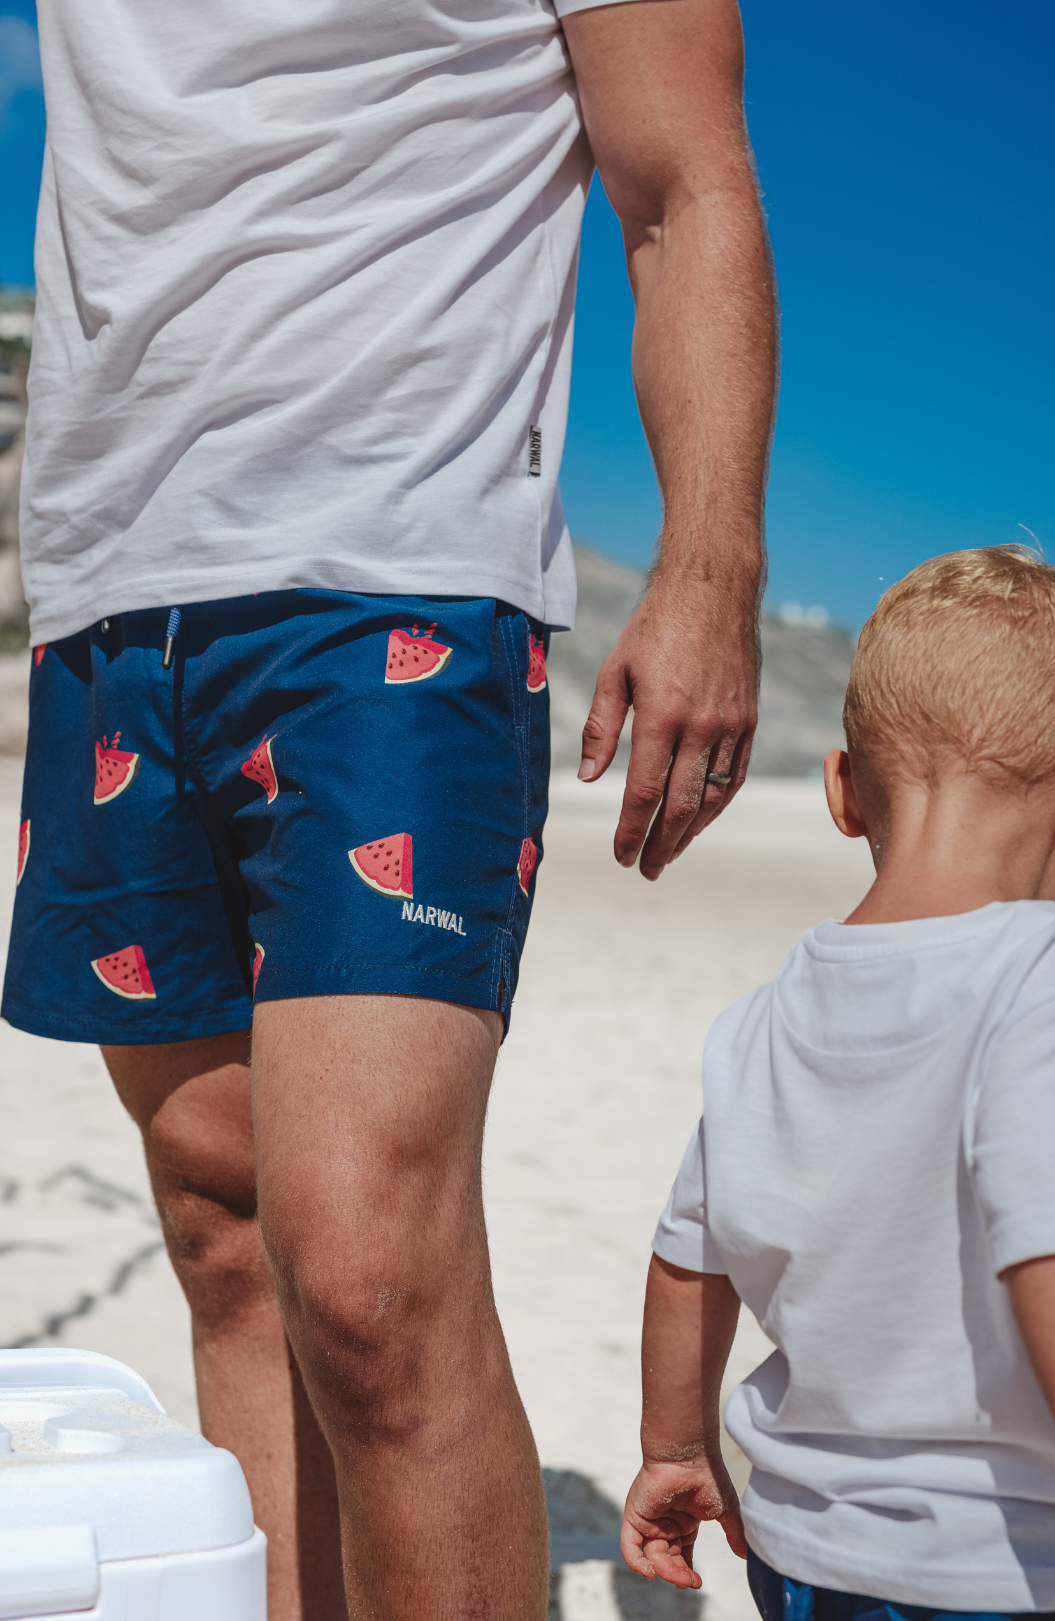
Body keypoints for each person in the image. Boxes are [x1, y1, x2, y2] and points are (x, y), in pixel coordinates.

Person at [2, 0, 777, 1615]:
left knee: (366, 1277)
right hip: (108, 587)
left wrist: (709, 566)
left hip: (399, 569)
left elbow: (681, 185)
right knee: (223, 1227)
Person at [622, 546, 1055, 1619]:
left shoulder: (763, 1017)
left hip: (805, 1552)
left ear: (843, 793)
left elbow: (688, 1258)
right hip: (1014, 1561)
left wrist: (673, 1447)